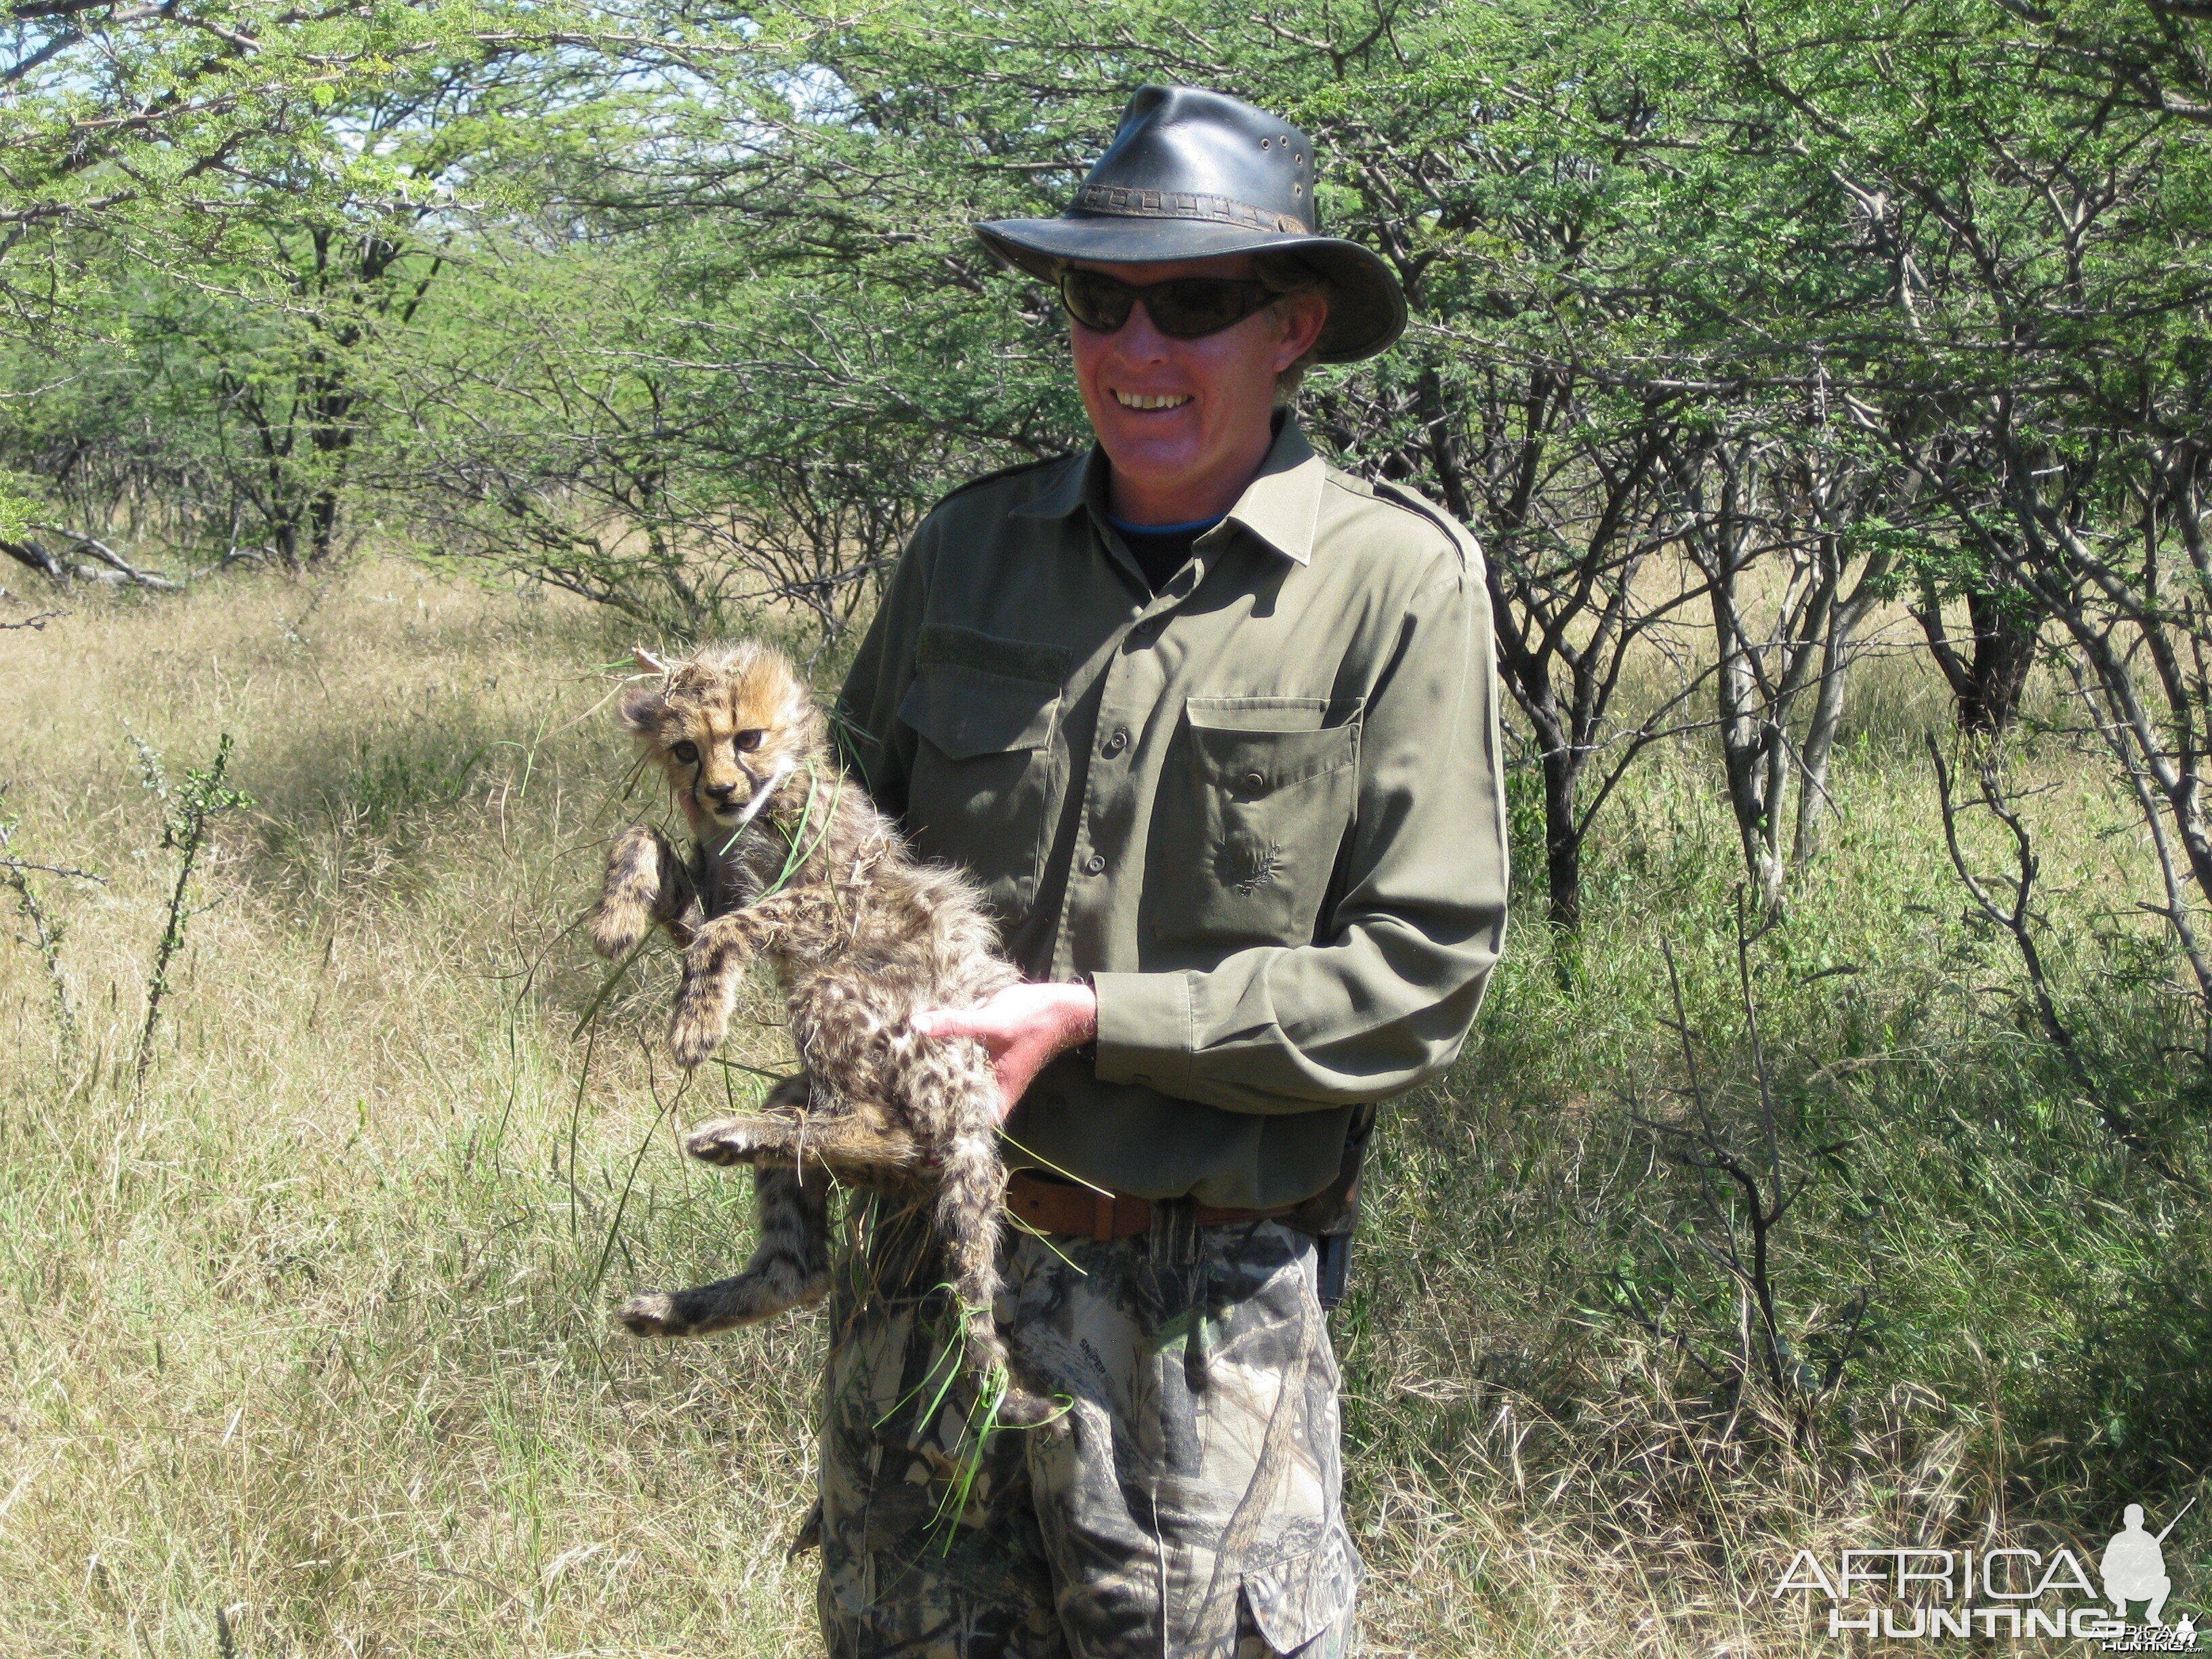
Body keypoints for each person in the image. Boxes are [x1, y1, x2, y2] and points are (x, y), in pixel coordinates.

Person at [819, 84, 1509, 1658]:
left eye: (1197, 304)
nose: (1138, 351)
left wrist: (1095, 1021)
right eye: (1099, 298)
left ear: (1296, 327)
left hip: (1206, 1309)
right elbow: (843, 856)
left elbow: (1423, 975)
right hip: (928, 1266)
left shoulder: (1395, 582)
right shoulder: (964, 551)